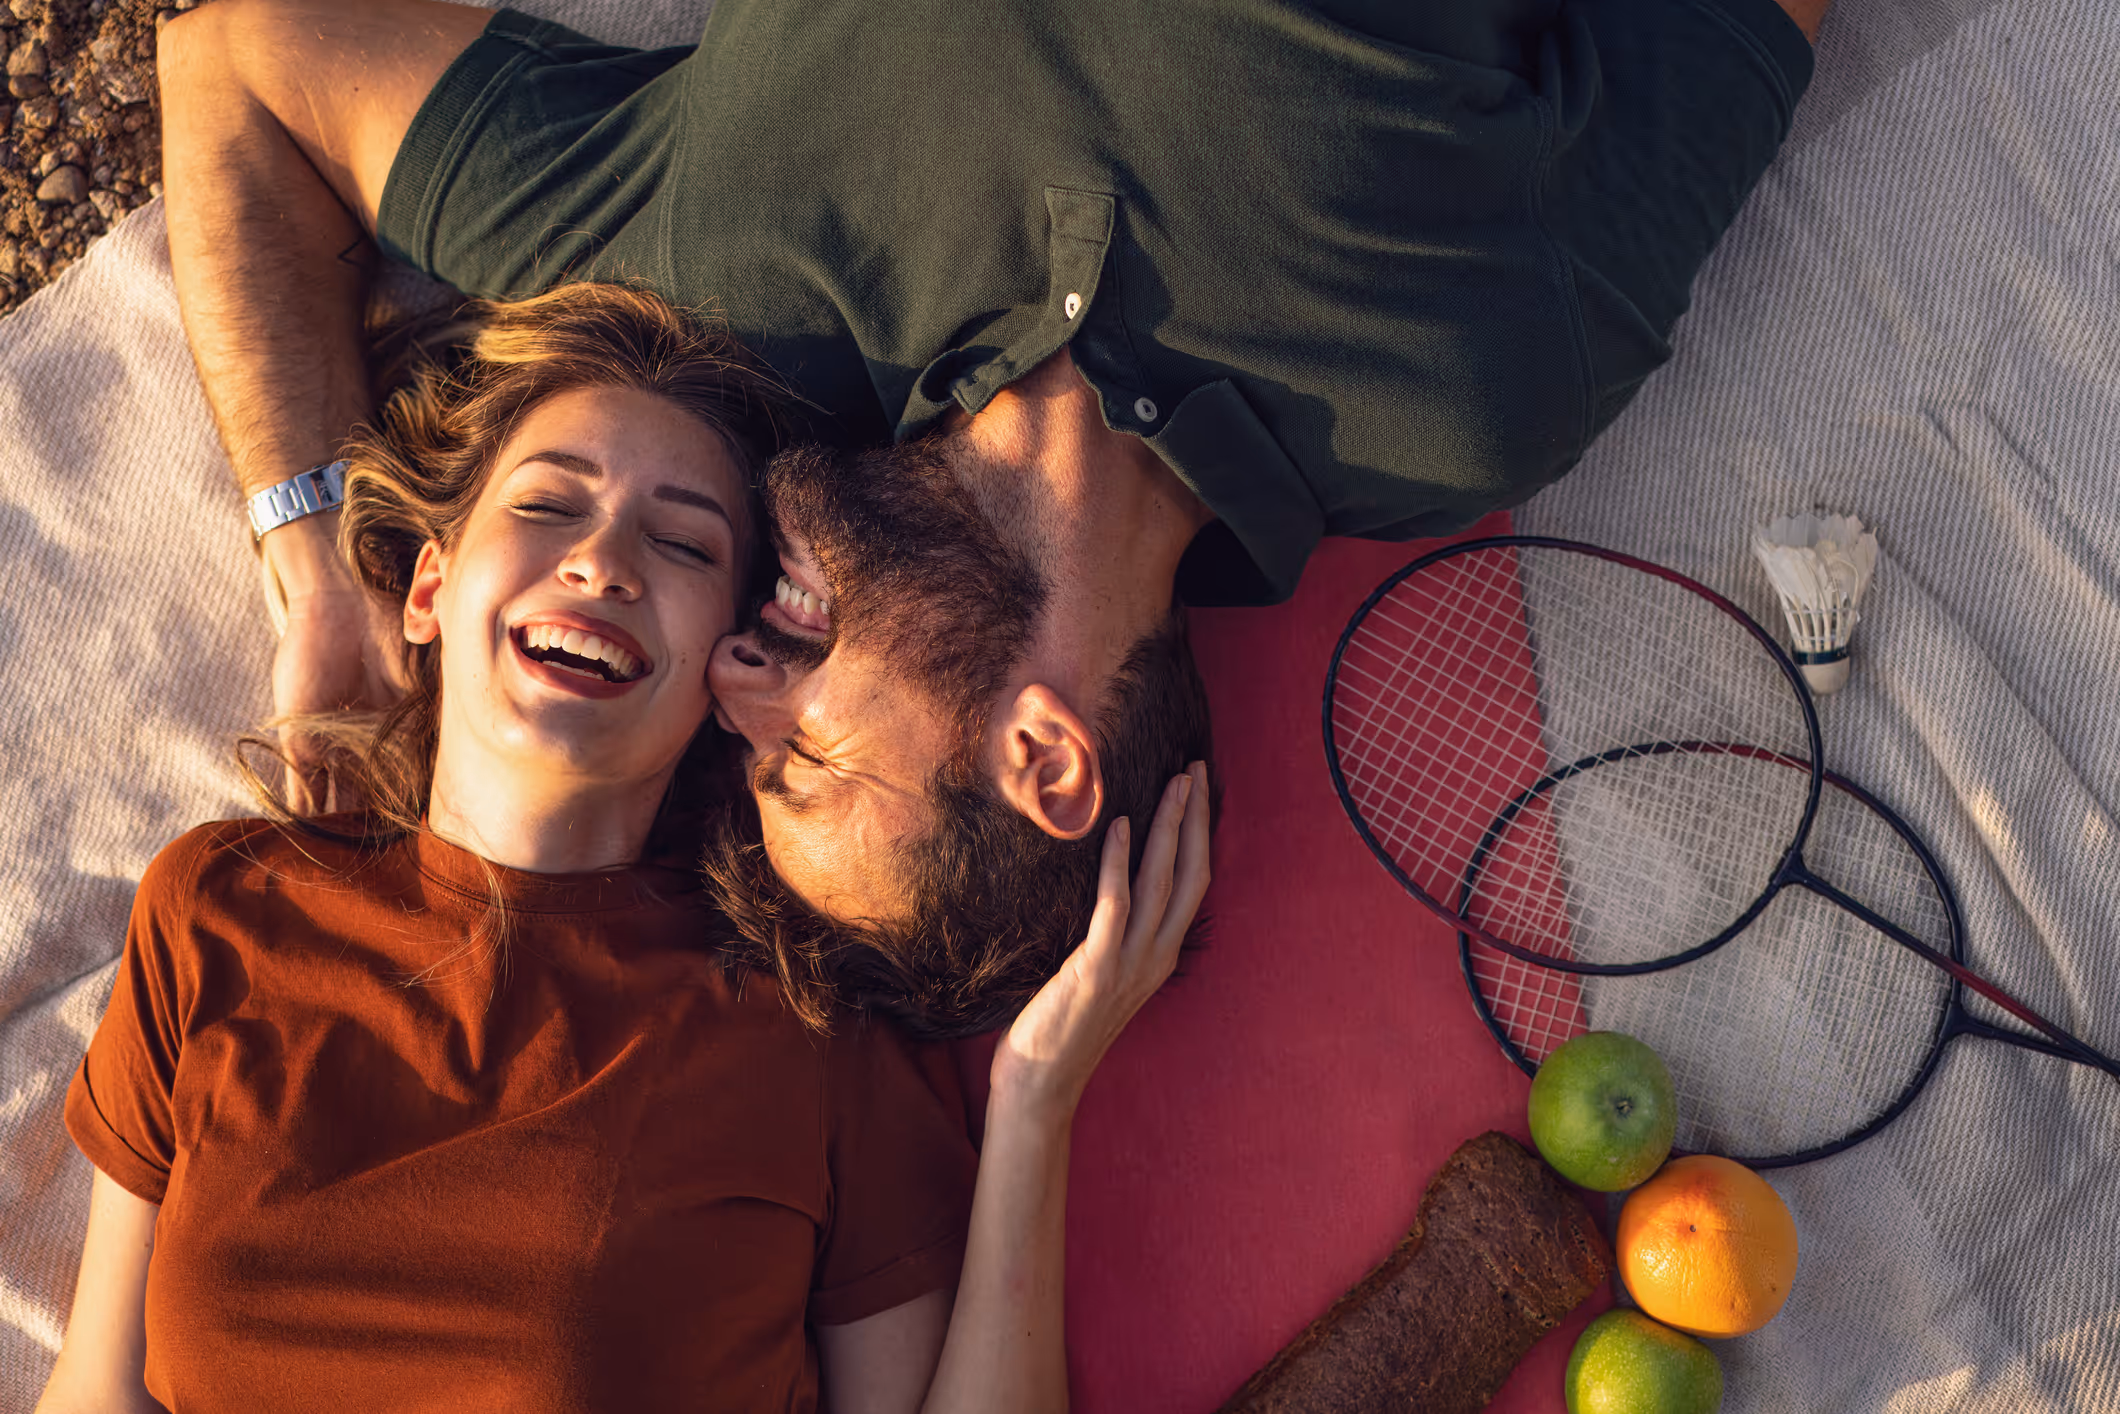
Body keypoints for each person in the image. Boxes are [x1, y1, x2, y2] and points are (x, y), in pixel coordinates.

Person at [158, 0, 1828, 1023]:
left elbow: (239, 65)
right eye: (801, 755)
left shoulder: (709, 307)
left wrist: (320, 588)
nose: (736, 673)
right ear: (1044, 757)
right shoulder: (1469, 385)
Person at [33, 284, 1213, 1413]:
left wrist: (1032, 1100)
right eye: (547, 506)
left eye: (688, 546)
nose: (602, 562)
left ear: (729, 659)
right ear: (429, 586)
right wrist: (303, 563)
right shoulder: (223, 907)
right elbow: (94, 1392)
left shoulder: (800, 1019)